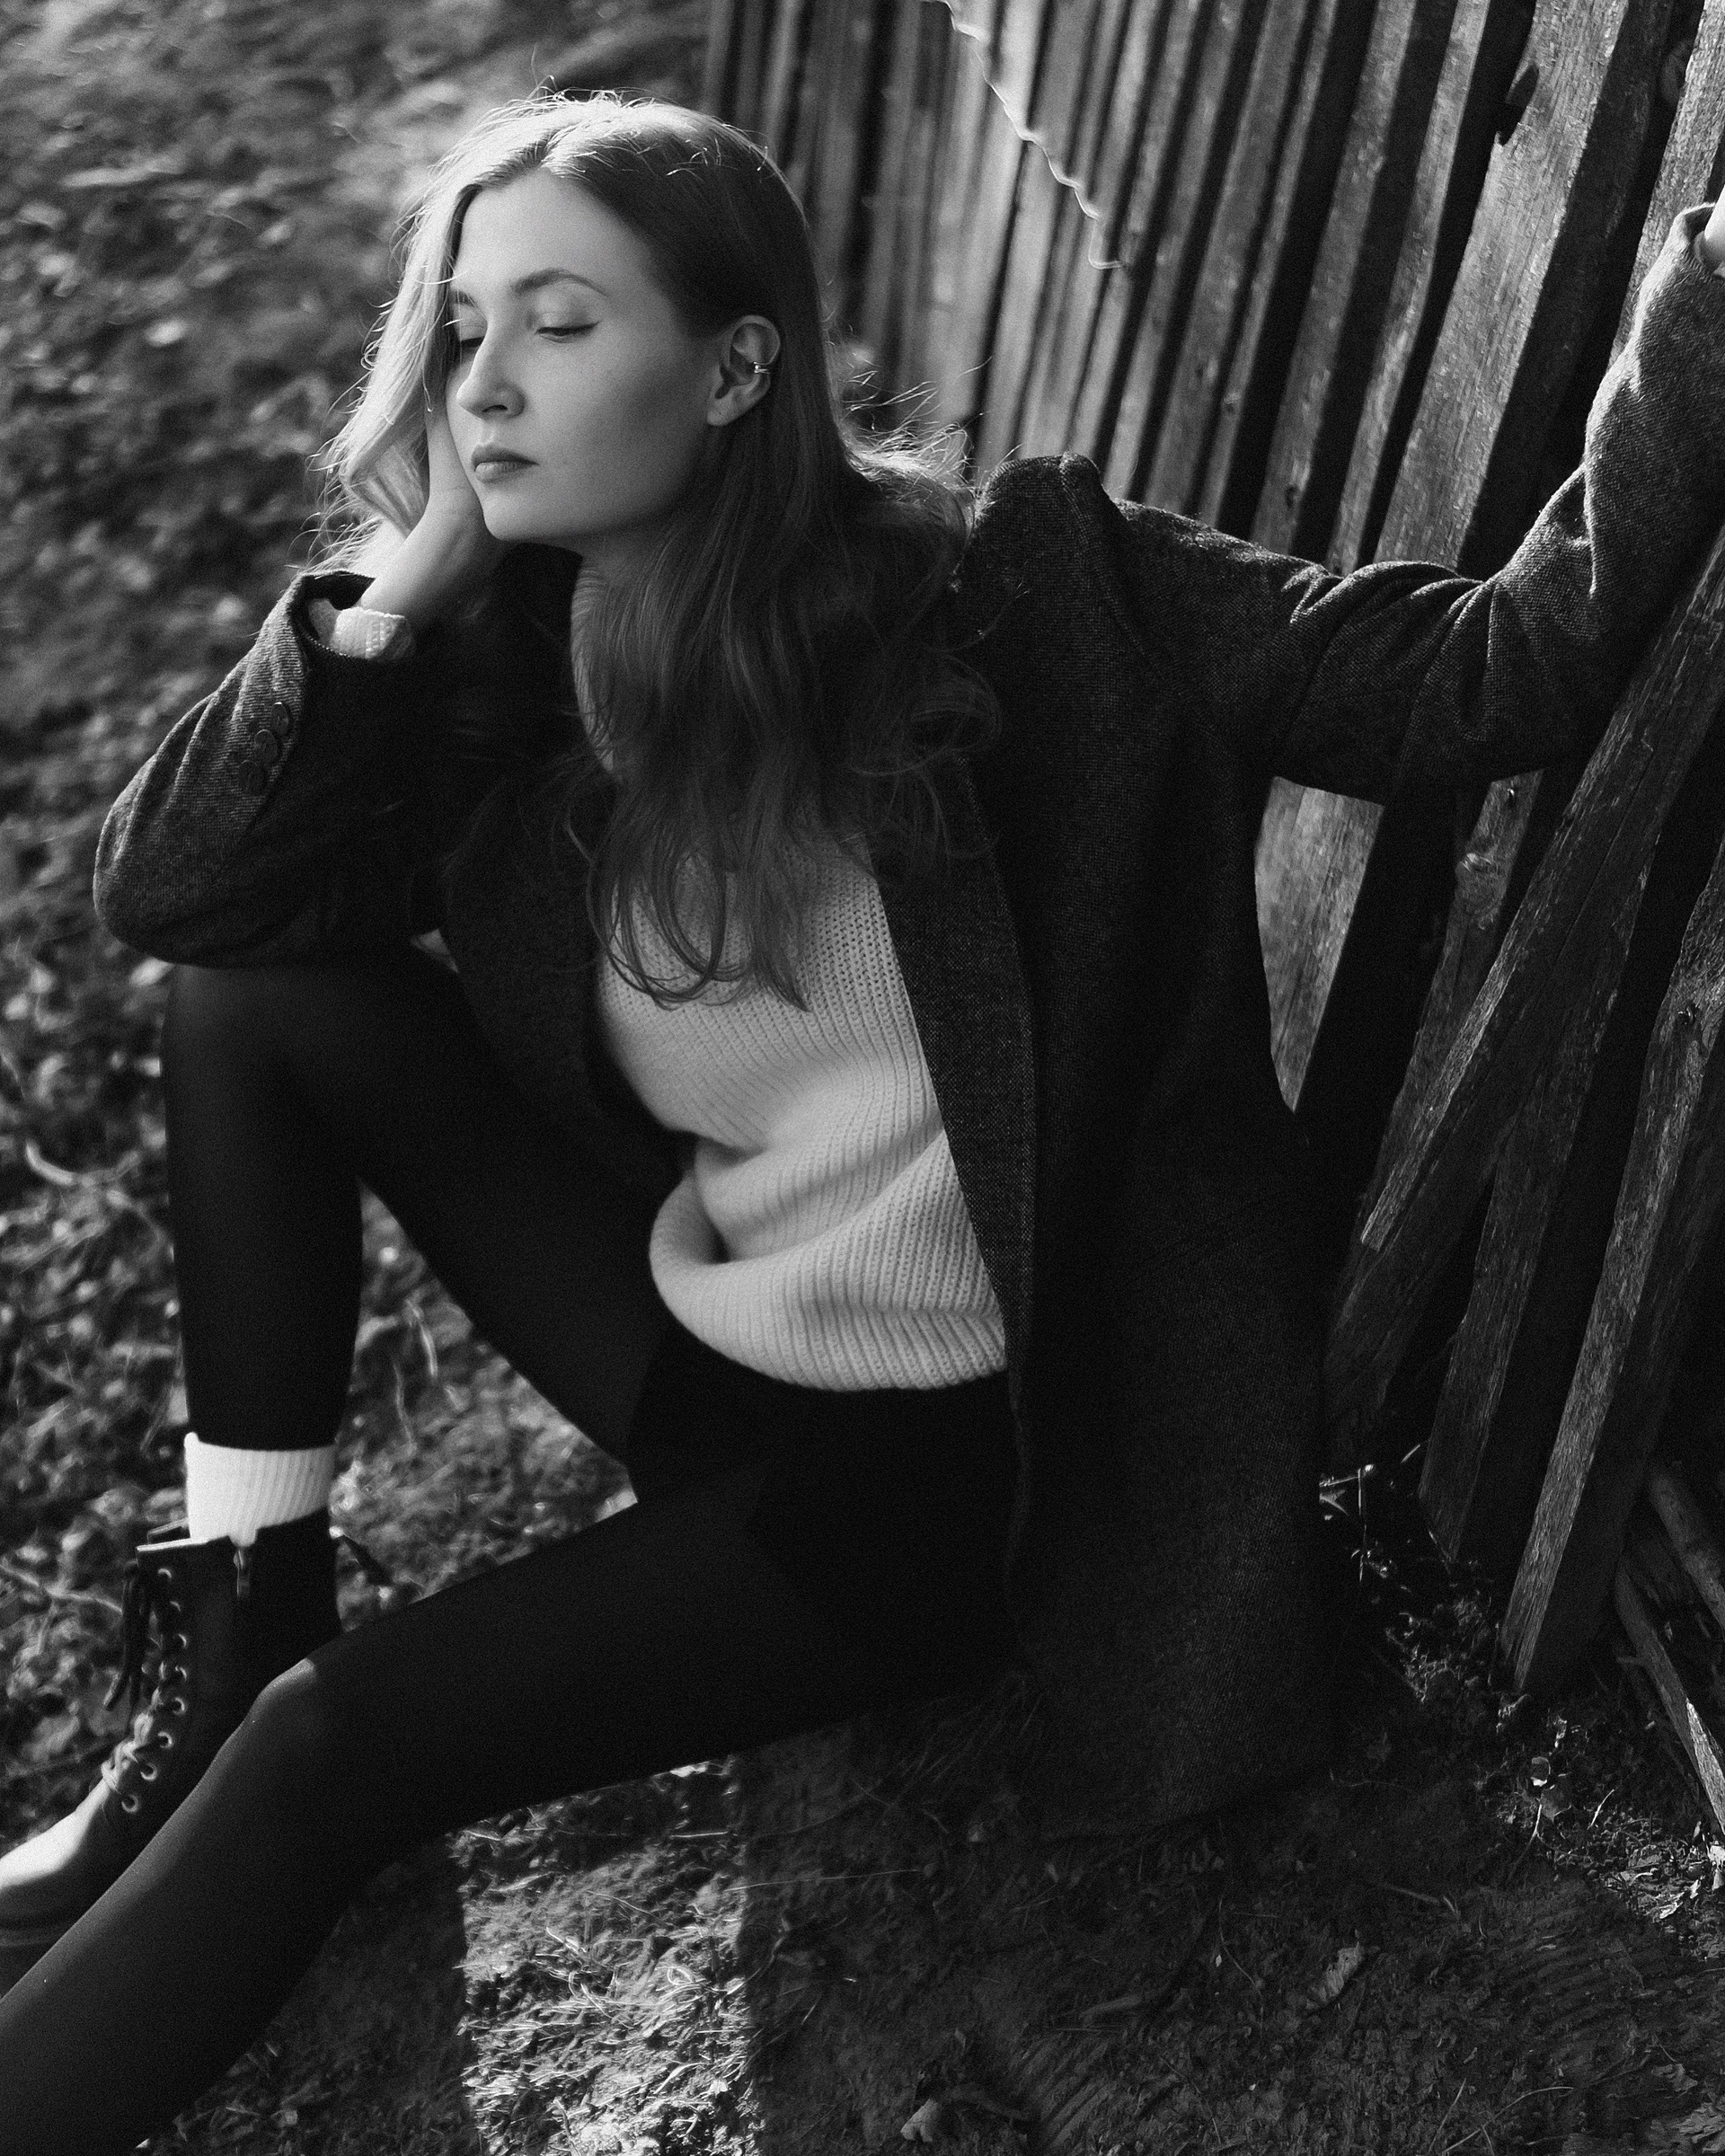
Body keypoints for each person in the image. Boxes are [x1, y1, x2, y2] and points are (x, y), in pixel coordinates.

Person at [2, 86, 1723, 2152]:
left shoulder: (1029, 598)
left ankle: (251, 1738)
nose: (487, 384)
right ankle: (243, 1608)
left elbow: (1489, 677)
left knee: (331, 1752)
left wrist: (1711, 298)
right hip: (719, 1344)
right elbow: (177, 898)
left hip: (926, 1486)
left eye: (559, 321)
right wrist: (395, 590)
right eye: (460, 330)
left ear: (736, 368)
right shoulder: (520, 666)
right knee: (253, 1002)